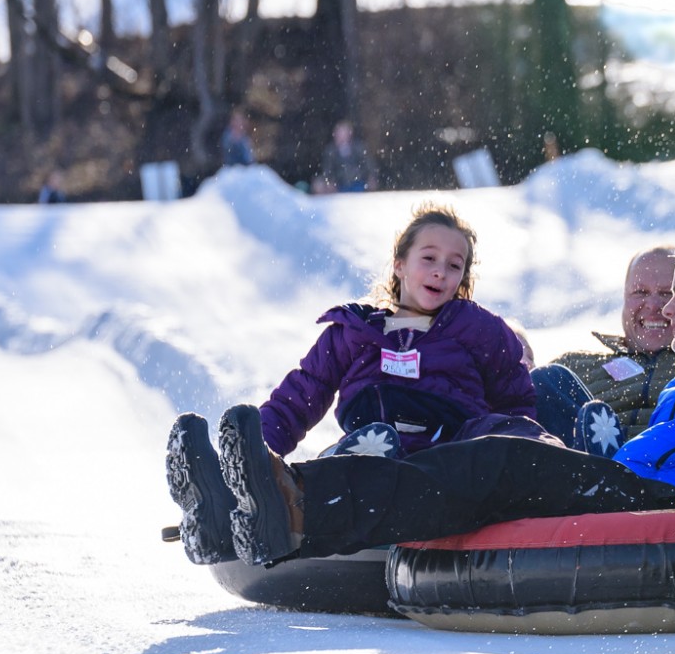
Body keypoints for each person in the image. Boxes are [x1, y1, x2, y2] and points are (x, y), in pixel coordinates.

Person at [201, 230, 675, 567]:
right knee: (499, 449)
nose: (668, 307)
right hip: (645, 483)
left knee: (502, 464)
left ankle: (293, 506)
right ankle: (253, 501)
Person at [165, 205, 546, 564]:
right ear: (399, 264)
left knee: (498, 432)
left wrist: (519, 462)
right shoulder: (354, 332)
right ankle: (233, 495)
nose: (440, 272)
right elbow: (297, 400)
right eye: (428, 258)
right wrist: (256, 454)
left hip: (450, 453)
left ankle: (293, 497)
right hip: (372, 448)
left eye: (454, 265)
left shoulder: (479, 330)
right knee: (377, 442)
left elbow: (515, 401)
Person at [531, 245, 675, 454]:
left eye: (668, 293)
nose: (654, 304)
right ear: (624, 297)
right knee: (546, 377)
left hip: (667, 468)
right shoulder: (575, 366)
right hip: (581, 468)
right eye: (640, 292)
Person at [321, 121, 373, 195]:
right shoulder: (331, 150)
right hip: (339, 184)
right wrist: (329, 182)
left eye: (343, 133)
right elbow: (327, 169)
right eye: (339, 133)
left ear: (349, 134)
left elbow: (368, 164)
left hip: (358, 183)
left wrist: (370, 177)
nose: (341, 136)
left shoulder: (359, 147)